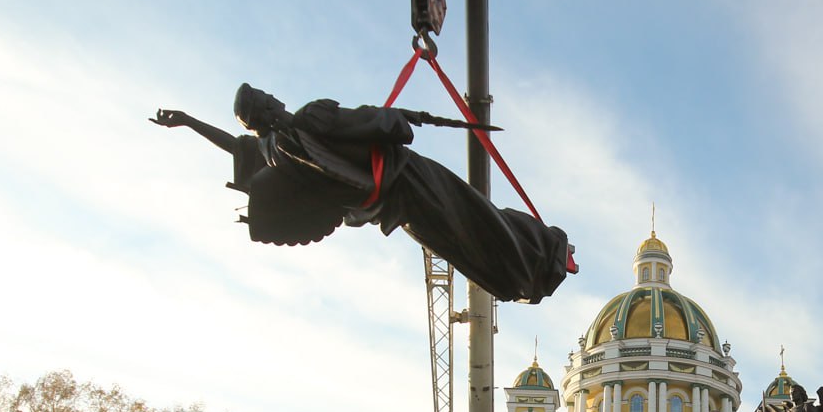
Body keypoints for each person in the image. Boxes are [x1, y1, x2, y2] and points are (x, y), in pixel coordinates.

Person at [152, 84, 576, 304]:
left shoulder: (274, 151)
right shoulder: (301, 126)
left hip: (392, 208)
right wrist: (394, 118)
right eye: (268, 99)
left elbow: (235, 147)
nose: (275, 99)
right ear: (263, 112)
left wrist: (189, 122)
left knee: (461, 241)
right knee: (475, 218)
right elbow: (379, 124)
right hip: (407, 180)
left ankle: (530, 272)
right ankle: (546, 254)